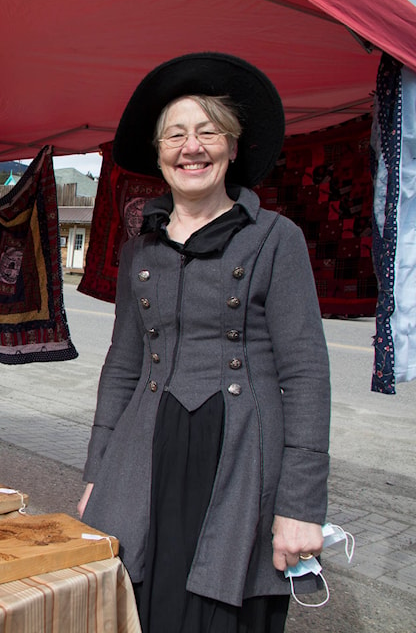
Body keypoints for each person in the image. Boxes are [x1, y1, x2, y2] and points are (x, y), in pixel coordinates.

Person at [77, 52, 331, 632]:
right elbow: (122, 366)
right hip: (145, 456)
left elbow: (308, 376)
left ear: (232, 148)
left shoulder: (276, 239)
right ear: (160, 153)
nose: (192, 148)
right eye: (176, 136)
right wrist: (96, 472)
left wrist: (300, 506)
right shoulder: (139, 249)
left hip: (241, 456)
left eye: (208, 132)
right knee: (133, 608)